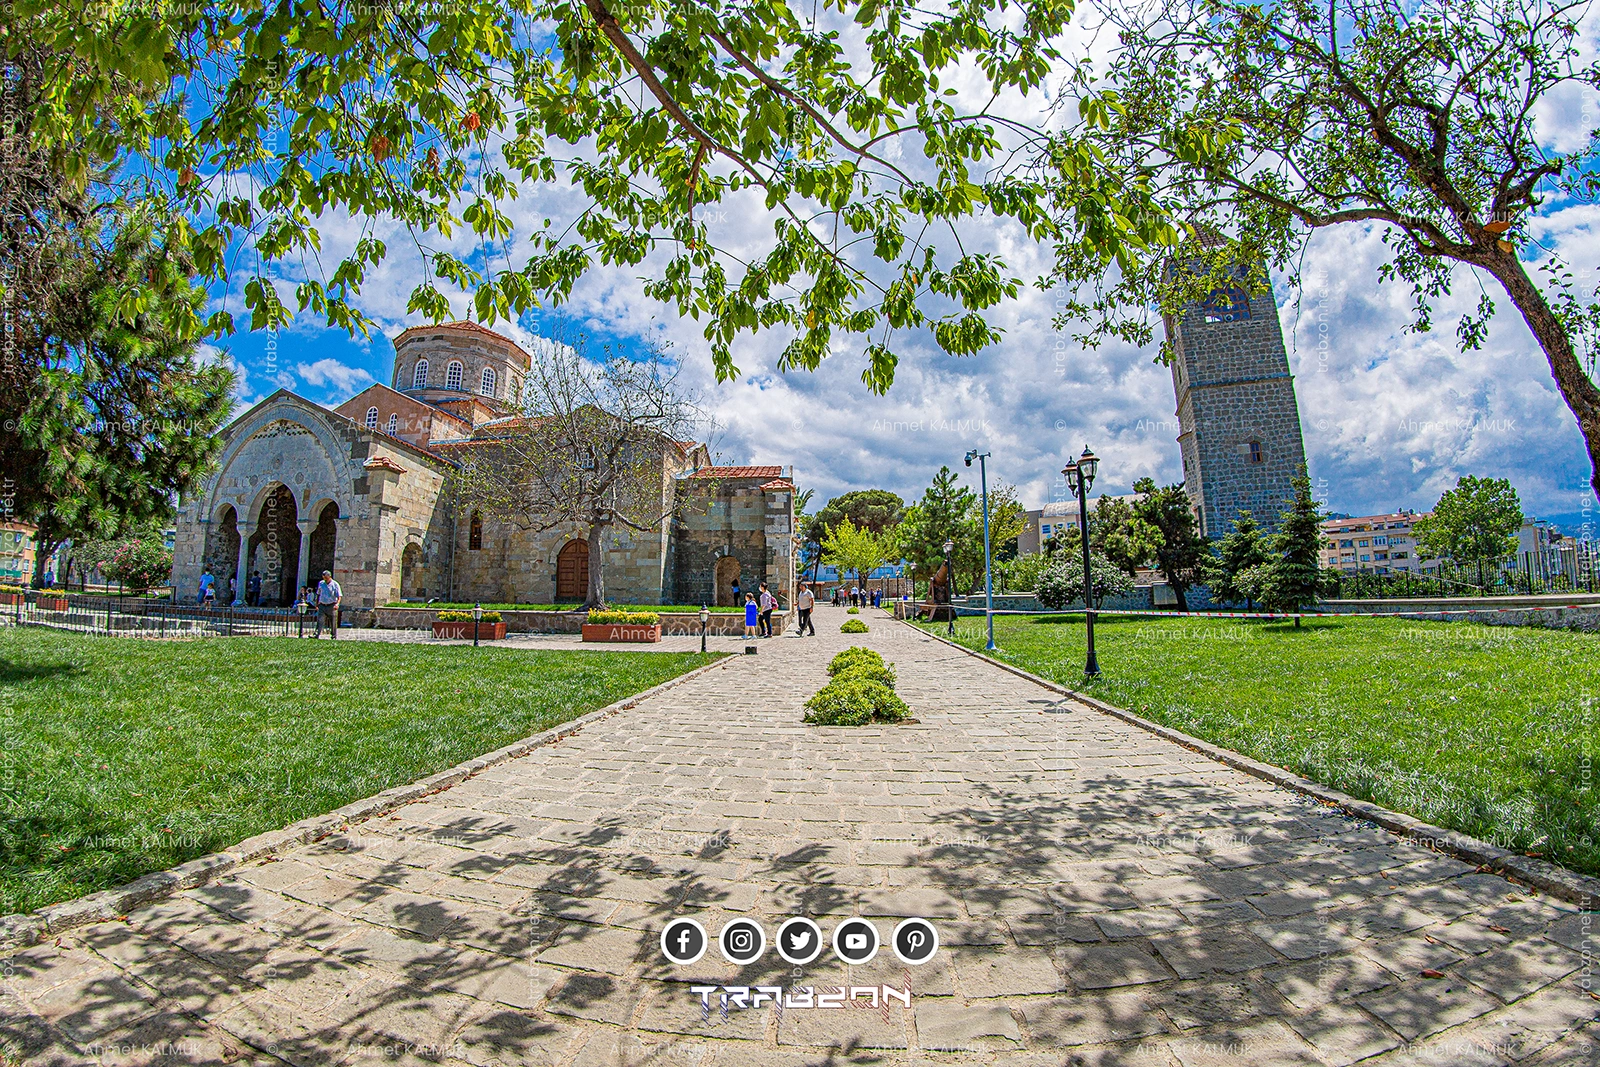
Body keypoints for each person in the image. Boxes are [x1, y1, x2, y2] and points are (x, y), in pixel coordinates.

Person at [314, 569, 342, 638]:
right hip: (322, 605)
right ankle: (317, 634)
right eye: (324, 578)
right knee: (320, 620)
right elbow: (318, 593)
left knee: (333, 621)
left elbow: (339, 596)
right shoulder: (321, 583)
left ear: (329, 577)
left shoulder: (335, 584)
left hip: (331, 605)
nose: (325, 579)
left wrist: (337, 604)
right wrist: (317, 603)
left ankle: (333, 635)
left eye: (326, 578)